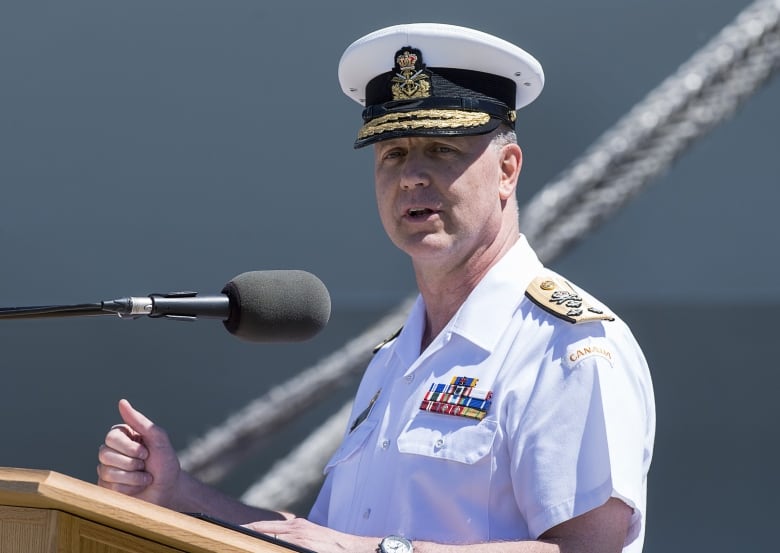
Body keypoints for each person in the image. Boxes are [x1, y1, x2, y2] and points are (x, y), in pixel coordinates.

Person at [97, 23, 655, 553]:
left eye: (441, 149)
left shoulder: (567, 350)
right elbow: (321, 540)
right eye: (393, 153)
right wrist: (176, 495)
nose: (412, 175)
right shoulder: (395, 361)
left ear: (507, 169)